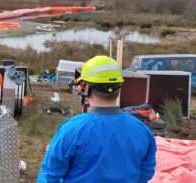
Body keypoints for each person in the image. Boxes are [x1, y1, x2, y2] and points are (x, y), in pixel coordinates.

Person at [37, 55, 156, 183]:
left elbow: (49, 175)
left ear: (87, 88)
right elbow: (146, 172)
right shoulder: (142, 130)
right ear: (118, 88)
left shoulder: (72, 129)